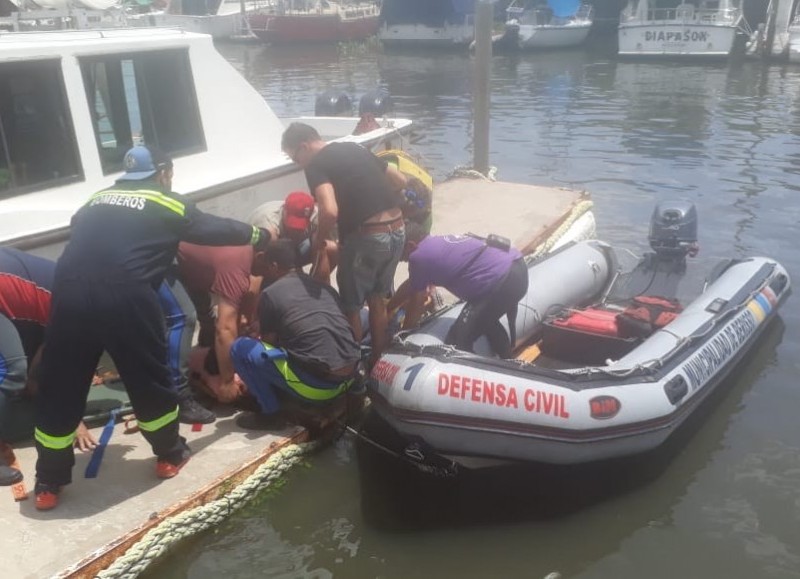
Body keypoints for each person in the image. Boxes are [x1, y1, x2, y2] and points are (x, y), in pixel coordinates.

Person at [32, 145, 270, 511]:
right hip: (125, 296)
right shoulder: (166, 200)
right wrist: (259, 236)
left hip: (69, 291)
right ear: (163, 174)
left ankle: (48, 482)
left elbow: (80, 229)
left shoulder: (97, 198)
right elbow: (213, 228)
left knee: (61, 383)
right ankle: (169, 456)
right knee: (148, 377)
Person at [280, 122, 407, 366]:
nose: (298, 164)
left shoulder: (316, 164)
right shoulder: (355, 147)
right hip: (397, 229)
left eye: (295, 158)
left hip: (367, 236)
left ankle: (353, 368)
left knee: (351, 305)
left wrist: (319, 240)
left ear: (304, 147)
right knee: (378, 298)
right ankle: (378, 362)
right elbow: (400, 180)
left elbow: (329, 211)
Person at [229, 239, 360, 429]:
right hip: (347, 380)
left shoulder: (270, 294)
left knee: (240, 348)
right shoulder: (323, 287)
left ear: (274, 266)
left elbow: (269, 346)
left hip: (316, 389)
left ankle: (270, 414)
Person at [0, 248, 98, 486]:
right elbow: (44, 375)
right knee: (12, 371)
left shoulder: (82, 294)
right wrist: (71, 419)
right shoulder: (81, 313)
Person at [387, 223, 529, 359]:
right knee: (484, 321)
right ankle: (507, 358)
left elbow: (416, 305)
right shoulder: (431, 245)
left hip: (502, 282)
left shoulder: (418, 257)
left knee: (457, 341)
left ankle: (479, 376)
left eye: (398, 252)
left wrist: (404, 338)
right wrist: (389, 307)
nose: (399, 259)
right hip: (516, 268)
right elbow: (412, 284)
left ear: (411, 246)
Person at [174, 235, 272, 405]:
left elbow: (253, 288)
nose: (264, 275)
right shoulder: (236, 272)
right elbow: (225, 329)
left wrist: (244, 320)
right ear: (261, 257)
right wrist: (227, 383)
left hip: (192, 268)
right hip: (167, 262)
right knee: (184, 318)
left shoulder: (249, 257)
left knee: (205, 312)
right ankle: (178, 392)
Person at [247, 191, 338, 283]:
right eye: (293, 226)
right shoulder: (268, 224)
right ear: (285, 211)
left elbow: (320, 248)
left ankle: (317, 288)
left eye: (300, 227)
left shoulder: (315, 216)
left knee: (331, 249)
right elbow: (262, 263)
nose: (296, 231)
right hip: (263, 258)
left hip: (295, 248)